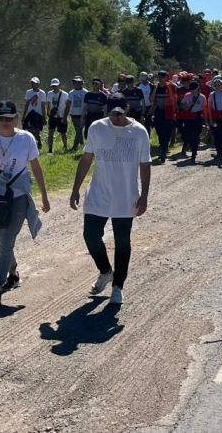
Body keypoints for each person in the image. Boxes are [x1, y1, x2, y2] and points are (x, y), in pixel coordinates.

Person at [70, 93, 150, 306]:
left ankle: (118, 287)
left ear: (127, 110)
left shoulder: (139, 132)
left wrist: (144, 195)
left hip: (125, 197)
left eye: (119, 114)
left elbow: (145, 165)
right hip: (98, 194)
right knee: (90, 236)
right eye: (111, 113)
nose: (115, 118)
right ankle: (106, 271)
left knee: (123, 242)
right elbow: (87, 158)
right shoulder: (96, 127)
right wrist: (75, 188)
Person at [0, 100, 50, 308]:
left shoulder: (26, 139)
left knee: (7, 242)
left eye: (9, 118)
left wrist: (44, 195)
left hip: (18, 197)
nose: (4, 122)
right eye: (0, 118)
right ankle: (13, 273)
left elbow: (36, 167)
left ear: (16, 118)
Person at [149, 71, 176, 162]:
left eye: (162, 77)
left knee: (167, 131)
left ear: (166, 77)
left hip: (168, 110)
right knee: (159, 130)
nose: (160, 79)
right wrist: (155, 89)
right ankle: (163, 146)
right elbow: (151, 99)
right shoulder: (155, 87)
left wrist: (169, 88)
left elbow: (174, 99)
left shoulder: (171, 86)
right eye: (159, 77)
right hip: (158, 111)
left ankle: (163, 151)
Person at [178, 80, 207, 163]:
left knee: (196, 135)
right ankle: (191, 148)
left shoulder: (202, 97)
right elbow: (182, 106)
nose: (192, 90)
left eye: (194, 89)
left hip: (197, 117)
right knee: (188, 135)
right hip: (188, 116)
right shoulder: (187, 95)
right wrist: (188, 104)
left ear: (197, 88)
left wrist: (205, 122)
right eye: (191, 89)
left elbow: (204, 110)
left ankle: (193, 154)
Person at [207, 77, 222, 163]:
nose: (217, 86)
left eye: (219, 85)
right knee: (217, 136)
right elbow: (209, 107)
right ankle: (219, 153)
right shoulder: (211, 94)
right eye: (215, 85)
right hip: (215, 117)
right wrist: (210, 118)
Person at [45, 78, 70, 153]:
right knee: (50, 133)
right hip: (53, 117)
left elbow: (67, 106)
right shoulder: (49, 93)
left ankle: (65, 146)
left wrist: (65, 117)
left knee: (63, 133)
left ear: (59, 85)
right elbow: (48, 104)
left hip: (61, 116)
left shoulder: (65, 94)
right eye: (53, 86)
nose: (54, 87)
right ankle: (50, 149)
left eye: (56, 86)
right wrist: (48, 113)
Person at [22, 77, 48, 150]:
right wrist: (24, 116)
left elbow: (43, 105)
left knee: (37, 131)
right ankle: (32, 144)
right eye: (32, 83)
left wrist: (44, 117)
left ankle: (39, 142)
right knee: (30, 130)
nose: (33, 85)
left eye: (35, 83)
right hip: (31, 114)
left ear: (38, 84)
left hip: (38, 114)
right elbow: (27, 104)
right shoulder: (28, 92)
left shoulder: (42, 93)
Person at [68, 76, 87, 152]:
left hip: (82, 114)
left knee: (79, 129)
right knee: (77, 130)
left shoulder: (86, 92)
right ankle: (82, 143)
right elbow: (69, 104)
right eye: (76, 82)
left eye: (79, 82)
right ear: (73, 83)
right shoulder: (71, 93)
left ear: (82, 83)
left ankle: (74, 147)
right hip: (74, 114)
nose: (77, 84)